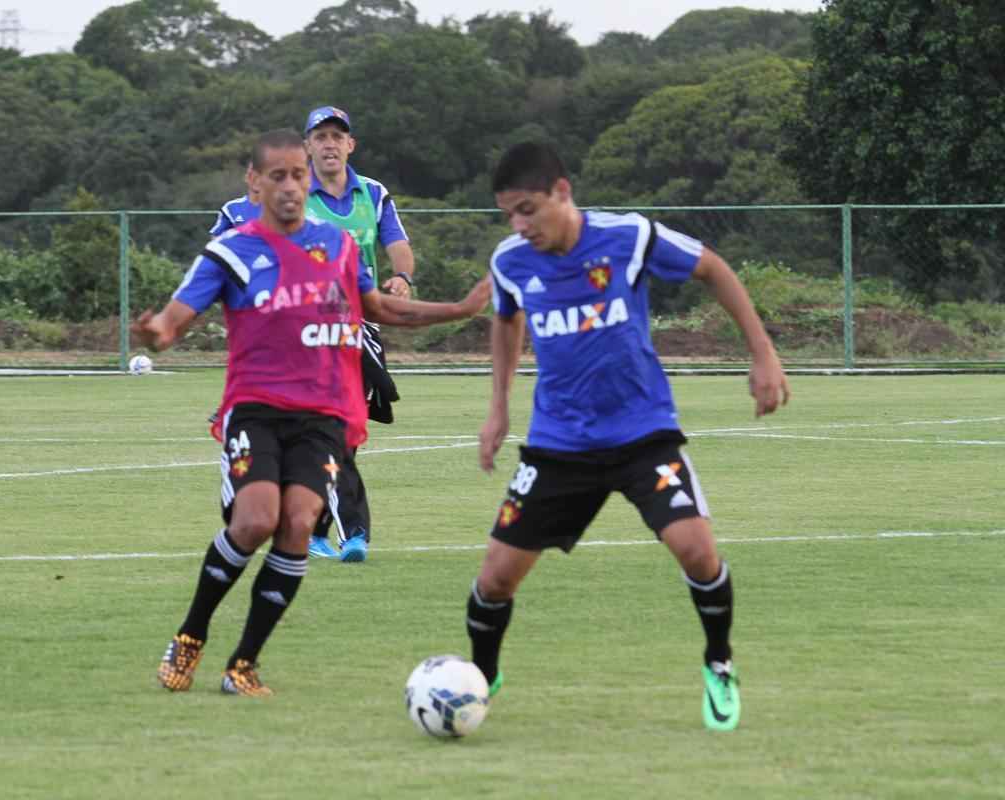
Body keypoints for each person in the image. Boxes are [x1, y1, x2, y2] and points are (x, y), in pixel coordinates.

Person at [133, 129, 489, 696]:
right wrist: (155, 334)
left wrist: (457, 308)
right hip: (255, 409)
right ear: (254, 183)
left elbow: (378, 308)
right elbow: (174, 322)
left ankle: (243, 663)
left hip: (323, 413)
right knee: (253, 521)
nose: (291, 186)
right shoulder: (231, 251)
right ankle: (191, 634)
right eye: (278, 176)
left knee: (298, 523)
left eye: (298, 174)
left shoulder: (339, 247)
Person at [466, 142, 790, 731]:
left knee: (697, 549)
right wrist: (498, 409)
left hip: (643, 434)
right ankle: (477, 681)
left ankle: (719, 662)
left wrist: (763, 353)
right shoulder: (511, 261)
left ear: (562, 192)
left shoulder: (629, 238)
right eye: (508, 214)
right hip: (558, 445)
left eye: (528, 209)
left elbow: (713, 268)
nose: (519, 225)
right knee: (495, 577)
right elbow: (506, 319)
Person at [210, 106, 419, 564]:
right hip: (300, 332)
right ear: (307, 147)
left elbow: (398, 245)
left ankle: (324, 524)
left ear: (350, 145)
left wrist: (402, 277)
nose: (328, 143)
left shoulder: (374, 194)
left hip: (357, 328)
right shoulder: (297, 194)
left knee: (346, 426)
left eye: (336, 136)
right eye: (319, 136)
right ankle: (335, 528)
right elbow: (239, 226)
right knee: (325, 427)